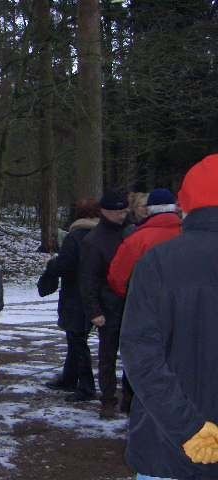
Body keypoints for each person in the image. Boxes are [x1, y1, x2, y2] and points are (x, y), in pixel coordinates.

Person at [120, 153, 218, 479]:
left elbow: (141, 358)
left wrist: (190, 429)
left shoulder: (158, 263)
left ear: (185, 206)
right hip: (174, 440)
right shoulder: (158, 264)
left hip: (166, 445)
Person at [39, 198, 99, 402]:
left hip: (76, 294)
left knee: (77, 340)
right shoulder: (102, 235)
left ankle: (86, 386)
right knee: (76, 339)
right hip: (96, 293)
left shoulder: (76, 237)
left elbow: (65, 265)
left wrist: (52, 265)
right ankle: (69, 378)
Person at [79, 189, 130, 419]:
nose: (122, 215)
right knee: (108, 356)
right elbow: (87, 279)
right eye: (117, 211)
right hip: (108, 307)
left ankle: (129, 397)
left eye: (124, 210)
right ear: (105, 212)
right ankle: (108, 399)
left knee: (132, 354)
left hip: (131, 304)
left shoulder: (131, 232)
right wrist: (94, 311)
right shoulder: (93, 241)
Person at [108, 188, 181, 298]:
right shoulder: (190, 235)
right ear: (175, 208)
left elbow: (117, 278)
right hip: (187, 304)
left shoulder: (137, 240)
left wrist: (133, 297)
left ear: (149, 210)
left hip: (148, 302)